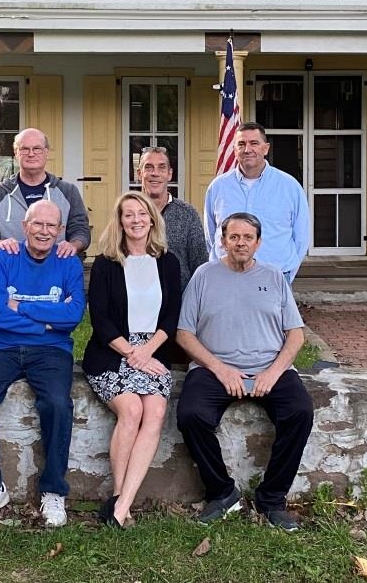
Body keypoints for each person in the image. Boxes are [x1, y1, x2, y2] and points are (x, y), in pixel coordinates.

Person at [176, 212, 313, 532]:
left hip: (269, 367)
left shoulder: (274, 276)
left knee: (300, 413)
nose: (241, 243)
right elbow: (184, 334)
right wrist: (220, 369)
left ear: (258, 243)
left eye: (247, 237)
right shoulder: (204, 275)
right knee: (191, 415)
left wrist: (273, 373)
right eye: (234, 237)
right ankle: (222, 493)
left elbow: (295, 335)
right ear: (223, 241)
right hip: (214, 367)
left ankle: (272, 499)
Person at [0, 200, 86, 527]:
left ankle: (53, 491)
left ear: (60, 230)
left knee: (57, 404)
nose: (44, 231)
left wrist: (20, 306)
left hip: (52, 350)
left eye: (51, 226)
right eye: (37, 224)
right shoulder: (4, 257)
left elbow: (73, 315)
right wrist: (47, 322)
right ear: (25, 226)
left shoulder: (68, 262)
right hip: (3, 346)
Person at [83, 191, 182, 527]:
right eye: (129, 215)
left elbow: (171, 316)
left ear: (152, 219)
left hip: (153, 350)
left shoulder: (168, 261)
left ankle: (121, 505)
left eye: (142, 214)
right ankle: (118, 497)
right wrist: (131, 353)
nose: (136, 220)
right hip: (112, 352)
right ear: (120, 222)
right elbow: (100, 320)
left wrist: (147, 351)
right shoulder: (106, 263)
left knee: (155, 411)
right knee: (132, 409)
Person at [203, 123, 309, 282]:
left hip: (274, 278)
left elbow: (301, 238)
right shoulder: (218, 187)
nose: (247, 149)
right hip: (226, 278)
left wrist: (286, 276)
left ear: (266, 148)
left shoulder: (289, 187)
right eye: (241, 144)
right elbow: (211, 236)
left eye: (254, 143)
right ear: (234, 150)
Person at [0, 128, 91, 258]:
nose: (31, 154)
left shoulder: (68, 192)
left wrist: (73, 245)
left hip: (57, 265)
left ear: (46, 152)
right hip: (11, 266)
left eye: (37, 149)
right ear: (16, 153)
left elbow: (81, 230)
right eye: (24, 149)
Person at [137, 146, 207, 291]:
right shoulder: (128, 214)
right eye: (149, 167)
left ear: (170, 174)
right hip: (136, 297)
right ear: (139, 174)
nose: (155, 173)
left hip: (180, 299)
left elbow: (200, 265)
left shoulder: (187, 214)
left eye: (161, 168)